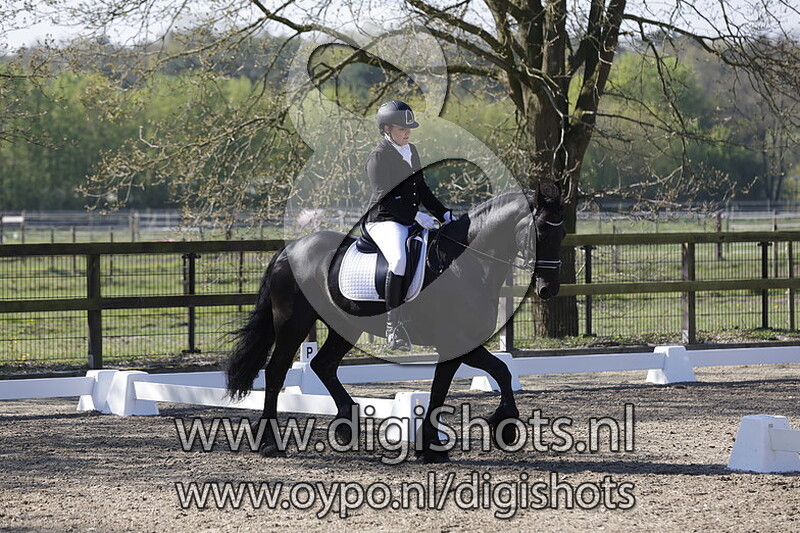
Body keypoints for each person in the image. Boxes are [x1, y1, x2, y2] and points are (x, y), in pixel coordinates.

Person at [364, 100, 455, 351]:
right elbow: (385, 197)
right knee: (399, 260)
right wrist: (416, 216)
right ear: (386, 129)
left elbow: (421, 188)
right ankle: (392, 327)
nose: (407, 133)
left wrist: (443, 213)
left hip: (408, 218)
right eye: (401, 129)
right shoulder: (378, 157)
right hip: (384, 220)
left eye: (409, 129)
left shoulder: (411, 151)